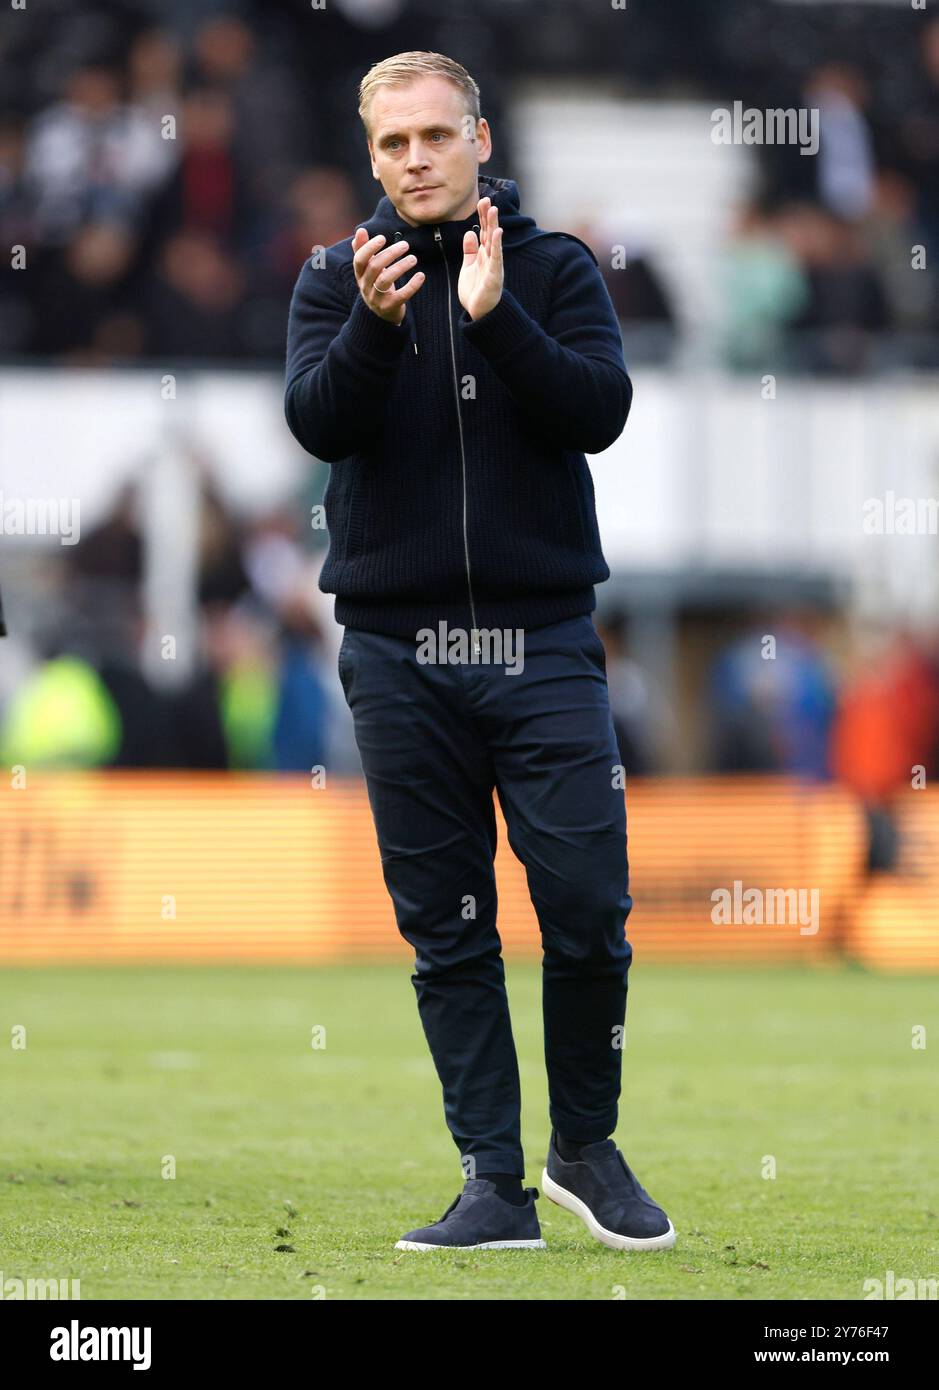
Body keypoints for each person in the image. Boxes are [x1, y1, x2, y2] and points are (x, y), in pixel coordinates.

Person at [284, 50, 674, 1254]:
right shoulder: (333, 278)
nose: (415, 160)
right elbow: (316, 421)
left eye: (434, 138)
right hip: (397, 650)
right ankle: (490, 1180)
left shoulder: (554, 269)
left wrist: (495, 323)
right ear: (372, 155)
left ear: (480, 141)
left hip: (542, 636)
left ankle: (584, 1148)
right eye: (393, 144)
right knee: (447, 927)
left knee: (585, 903)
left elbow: (596, 413)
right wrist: (374, 323)